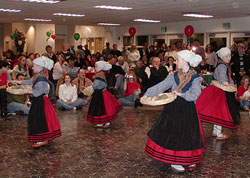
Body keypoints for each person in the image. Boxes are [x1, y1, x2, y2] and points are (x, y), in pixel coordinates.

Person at [142, 50, 203, 173]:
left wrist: (181, 93)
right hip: (174, 108)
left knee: (186, 134)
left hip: (187, 109)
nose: (176, 61)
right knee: (173, 134)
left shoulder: (195, 77)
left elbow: (195, 95)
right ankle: (175, 161)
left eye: (178, 59)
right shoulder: (174, 75)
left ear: (186, 61)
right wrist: (147, 94)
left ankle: (187, 158)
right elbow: (162, 86)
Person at [16, 56, 61, 148]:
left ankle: (42, 139)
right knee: (38, 120)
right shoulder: (38, 76)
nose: (32, 67)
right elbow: (29, 81)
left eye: (34, 66)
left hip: (40, 103)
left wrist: (25, 91)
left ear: (40, 67)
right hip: (39, 102)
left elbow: (38, 92)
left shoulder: (41, 79)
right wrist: (16, 82)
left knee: (39, 120)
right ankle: (42, 139)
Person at [196, 47, 240, 140]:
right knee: (220, 112)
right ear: (222, 57)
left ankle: (216, 131)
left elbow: (228, 77)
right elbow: (222, 79)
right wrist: (227, 83)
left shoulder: (224, 66)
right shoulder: (222, 66)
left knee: (218, 112)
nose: (229, 58)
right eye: (226, 56)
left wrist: (231, 82)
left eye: (229, 55)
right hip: (220, 92)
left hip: (220, 91)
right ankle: (218, 133)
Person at [87, 61, 123, 128]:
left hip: (101, 95)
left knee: (104, 109)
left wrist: (87, 90)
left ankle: (106, 122)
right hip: (100, 94)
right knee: (101, 109)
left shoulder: (100, 75)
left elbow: (96, 85)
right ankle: (101, 122)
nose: (95, 68)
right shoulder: (99, 74)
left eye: (96, 66)